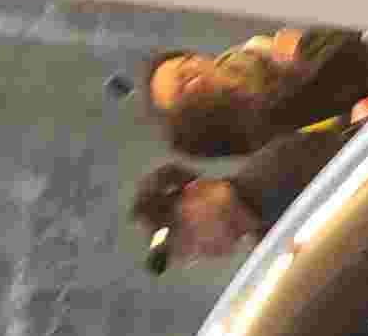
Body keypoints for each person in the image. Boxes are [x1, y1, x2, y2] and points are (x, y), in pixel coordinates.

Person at [113, 25, 368, 158]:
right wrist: (298, 48)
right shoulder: (264, 129)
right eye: (184, 87)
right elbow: (349, 60)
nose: (194, 73)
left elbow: (344, 48)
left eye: (187, 64)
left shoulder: (250, 55)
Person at [128, 114, 355, 273]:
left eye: (187, 234)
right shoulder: (270, 249)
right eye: (188, 253)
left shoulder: (282, 167)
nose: (199, 250)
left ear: (192, 190)